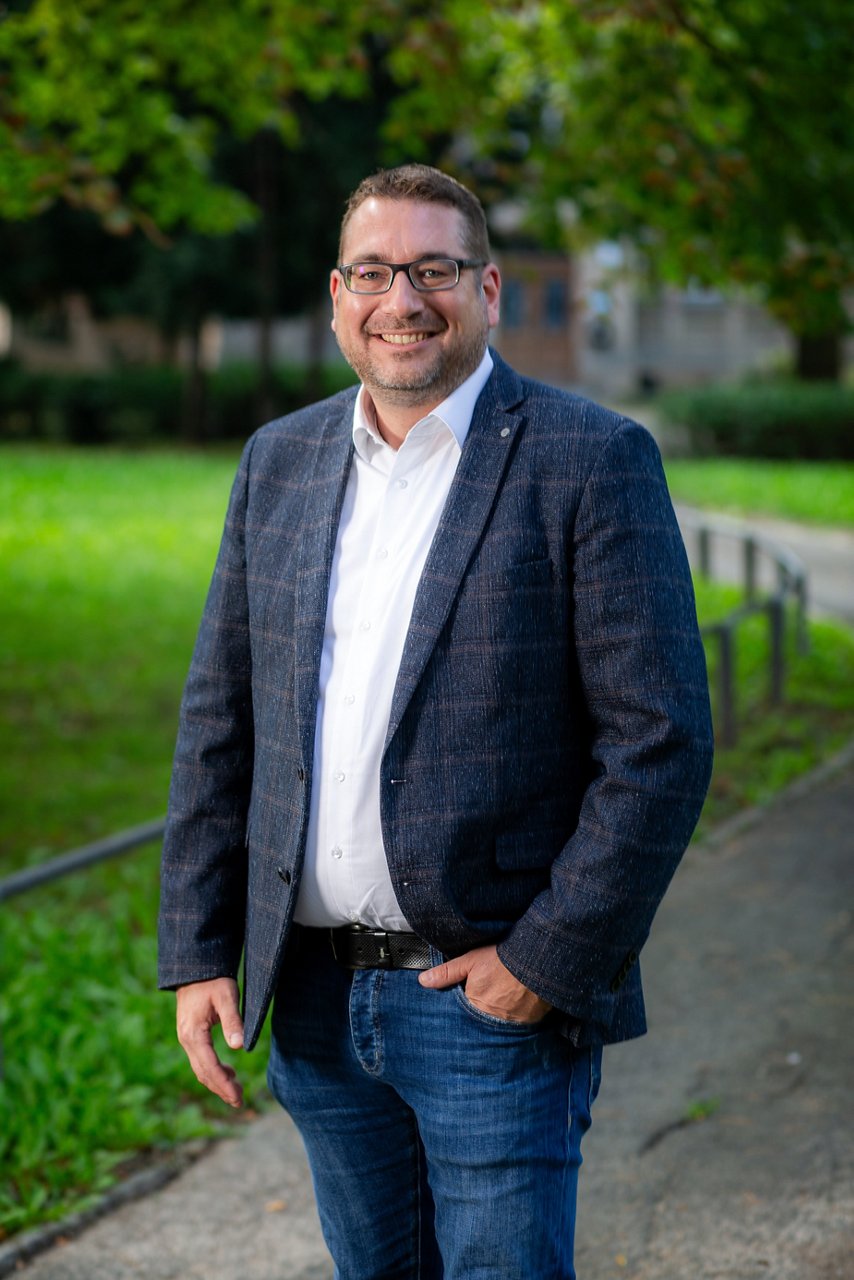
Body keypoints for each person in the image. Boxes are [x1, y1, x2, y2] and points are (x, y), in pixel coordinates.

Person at [158, 163, 714, 1278]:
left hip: (486, 1004)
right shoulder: (280, 460)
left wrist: (543, 961)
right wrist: (199, 948)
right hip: (311, 1001)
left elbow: (658, 742)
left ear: (488, 288)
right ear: (334, 296)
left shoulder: (590, 459)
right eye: (373, 271)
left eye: (432, 269)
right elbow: (223, 715)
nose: (400, 298)